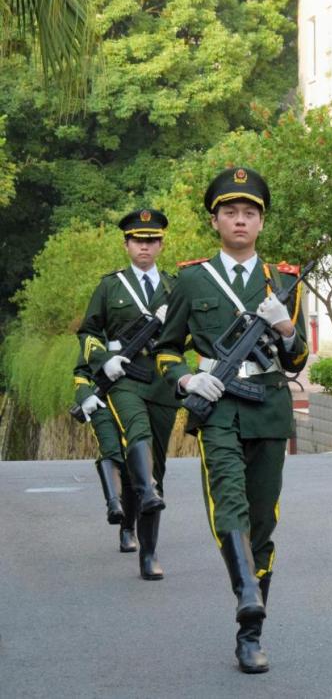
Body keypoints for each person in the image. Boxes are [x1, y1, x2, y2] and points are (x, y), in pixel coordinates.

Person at [154, 167, 309, 673]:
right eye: (230, 212)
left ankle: (251, 629)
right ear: (215, 221)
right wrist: (185, 380)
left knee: (262, 521)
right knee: (228, 502)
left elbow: (298, 359)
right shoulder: (192, 279)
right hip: (217, 404)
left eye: (249, 213)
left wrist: (286, 329)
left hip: (268, 406)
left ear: (261, 222)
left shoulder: (282, 281)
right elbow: (165, 349)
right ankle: (246, 596)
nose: (240, 220)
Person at [78, 209, 179, 580]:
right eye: (138, 240)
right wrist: (104, 360)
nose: (144, 247)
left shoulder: (174, 287)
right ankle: (148, 553)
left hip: (162, 382)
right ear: (126, 244)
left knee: (155, 469)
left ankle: (144, 542)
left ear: (161, 245)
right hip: (124, 379)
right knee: (137, 432)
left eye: (151, 240)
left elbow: (188, 336)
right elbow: (88, 333)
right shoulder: (111, 286)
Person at [73, 343, 138, 554]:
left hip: (134, 404)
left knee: (131, 463)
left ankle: (127, 528)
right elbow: (81, 372)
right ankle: (113, 504)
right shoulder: (96, 339)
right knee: (110, 450)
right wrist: (86, 395)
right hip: (102, 405)